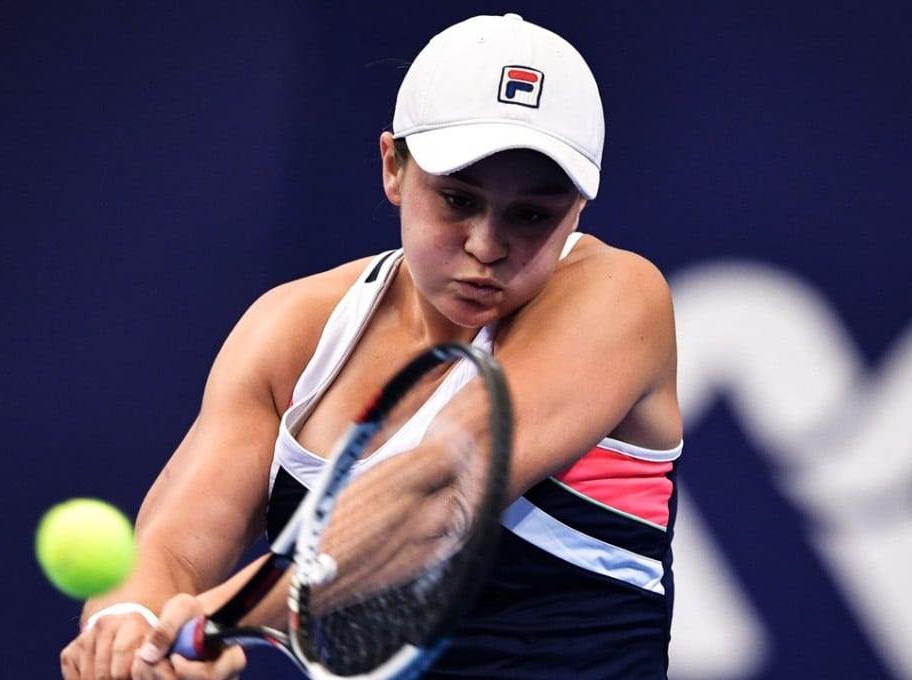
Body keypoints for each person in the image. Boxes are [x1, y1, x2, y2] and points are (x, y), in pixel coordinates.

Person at [60, 12, 682, 680]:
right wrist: (128, 630)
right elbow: (169, 554)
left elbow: (433, 495)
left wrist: (217, 617)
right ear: (393, 167)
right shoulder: (294, 330)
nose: (486, 245)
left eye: (532, 215)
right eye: (456, 199)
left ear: (579, 209)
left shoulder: (620, 298)